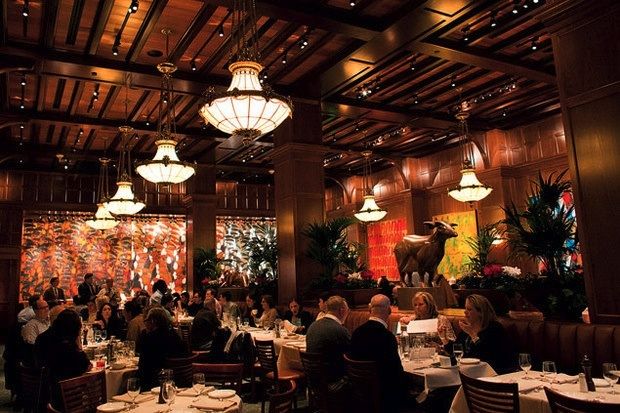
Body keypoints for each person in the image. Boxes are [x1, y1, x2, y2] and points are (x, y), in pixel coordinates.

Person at [350, 294, 407, 412]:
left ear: (369, 309)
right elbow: (396, 373)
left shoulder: (357, 333)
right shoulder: (387, 337)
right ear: (389, 310)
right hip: (386, 399)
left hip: (360, 395)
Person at [35, 309, 91, 411]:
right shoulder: (68, 347)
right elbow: (87, 366)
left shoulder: (41, 338)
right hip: (67, 398)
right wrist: (78, 343)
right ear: (75, 329)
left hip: (43, 392)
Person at [453, 294, 513, 373]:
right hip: (469, 372)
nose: (465, 312)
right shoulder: (467, 329)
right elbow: (456, 353)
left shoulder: (494, 328)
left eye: (469, 309)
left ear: (481, 312)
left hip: (492, 373)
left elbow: (485, 357)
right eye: (465, 308)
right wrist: (444, 338)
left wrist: (473, 335)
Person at [136, 307, 188, 390]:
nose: (145, 323)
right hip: (179, 380)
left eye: (147, 320)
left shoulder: (149, 338)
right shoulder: (174, 336)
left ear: (152, 321)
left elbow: (143, 366)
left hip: (153, 382)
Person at [306, 295, 350, 385]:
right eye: (348, 310)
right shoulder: (340, 330)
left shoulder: (313, 326)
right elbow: (351, 356)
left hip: (313, 381)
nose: (348, 313)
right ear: (342, 310)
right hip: (333, 382)